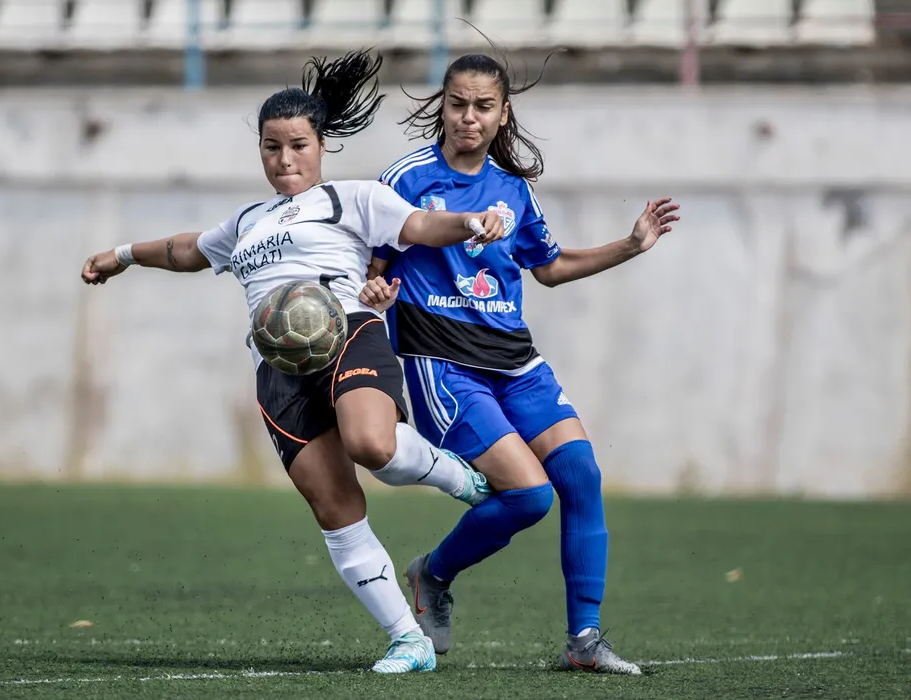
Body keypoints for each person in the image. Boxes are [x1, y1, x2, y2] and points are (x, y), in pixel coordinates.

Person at [80, 49, 505, 674]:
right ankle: (407, 641)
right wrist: (122, 255)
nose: (285, 159)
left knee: (373, 445)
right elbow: (187, 249)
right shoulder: (247, 222)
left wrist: (471, 222)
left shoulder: (352, 198)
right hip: (279, 368)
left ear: (322, 145)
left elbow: (420, 226)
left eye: (298, 145)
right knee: (334, 507)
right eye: (272, 147)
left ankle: (459, 479)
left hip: (347, 332)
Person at [361, 53, 681, 675]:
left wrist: (630, 244)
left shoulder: (514, 189)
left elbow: (550, 268)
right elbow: (371, 267)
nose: (469, 117)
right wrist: (373, 292)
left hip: (515, 361)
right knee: (531, 498)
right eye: (458, 104)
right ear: (442, 107)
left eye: (483, 106)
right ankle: (433, 574)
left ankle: (584, 641)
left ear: (503, 114)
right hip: (442, 363)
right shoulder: (403, 179)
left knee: (581, 475)